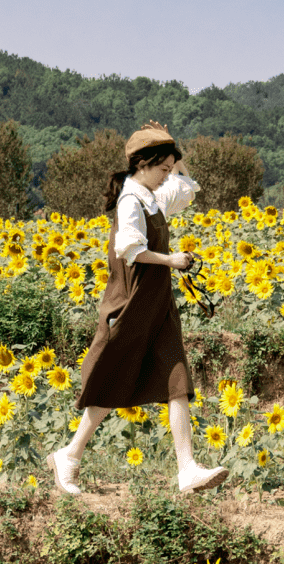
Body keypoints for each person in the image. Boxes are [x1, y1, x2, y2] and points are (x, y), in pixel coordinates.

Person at [46, 121, 228, 497]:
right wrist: (173, 260)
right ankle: (70, 455)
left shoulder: (150, 194)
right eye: (162, 168)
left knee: (177, 382)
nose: (168, 176)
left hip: (156, 304)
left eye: (169, 168)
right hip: (131, 305)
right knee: (113, 382)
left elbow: (185, 191)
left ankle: (187, 470)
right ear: (142, 165)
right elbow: (130, 251)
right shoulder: (132, 200)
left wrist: (175, 151)